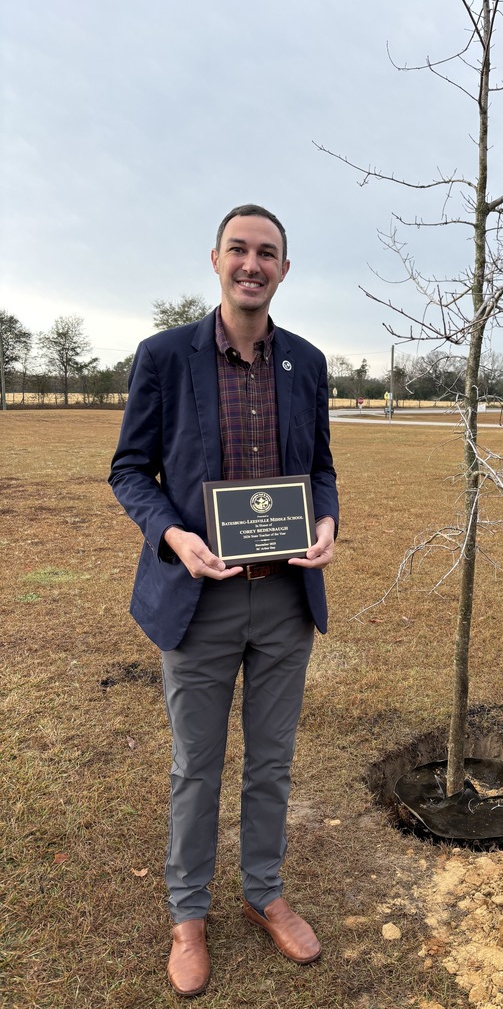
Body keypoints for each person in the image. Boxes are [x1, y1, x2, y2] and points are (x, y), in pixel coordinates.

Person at [109, 204, 338, 996]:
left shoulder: (305, 363)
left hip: (283, 601)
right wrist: (175, 539)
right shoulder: (165, 357)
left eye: (267, 252)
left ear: (283, 268)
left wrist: (329, 519)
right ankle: (187, 913)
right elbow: (130, 472)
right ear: (215, 260)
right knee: (196, 768)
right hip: (197, 600)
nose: (252, 263)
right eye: (238, 249)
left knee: (270, 763)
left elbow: (321, 469)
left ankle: (264, 893)